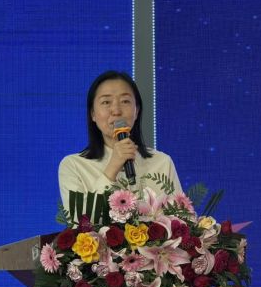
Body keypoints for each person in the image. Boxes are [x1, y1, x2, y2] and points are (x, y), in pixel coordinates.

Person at [58, 70, 182, 212]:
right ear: (93, 114)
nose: (116, 110)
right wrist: (113, 166)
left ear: (137, 111)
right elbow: (79, 220)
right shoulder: (73, 166)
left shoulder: (162, 162)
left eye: (125, 101)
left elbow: (182, 220)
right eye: (106, 102)